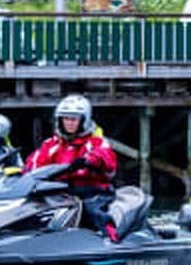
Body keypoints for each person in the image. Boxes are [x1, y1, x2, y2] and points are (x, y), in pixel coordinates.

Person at [24, 95, 119, 240]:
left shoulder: (96, 142)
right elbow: (35, 162)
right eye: (65, 119)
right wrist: (22, 172)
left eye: (73, 119)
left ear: (83, 120)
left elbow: (107, 157)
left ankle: (110, 238)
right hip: (61, 193)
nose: (69, 123)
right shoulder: (51, 144)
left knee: (90, 210)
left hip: (93, 192)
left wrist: (89, 160)